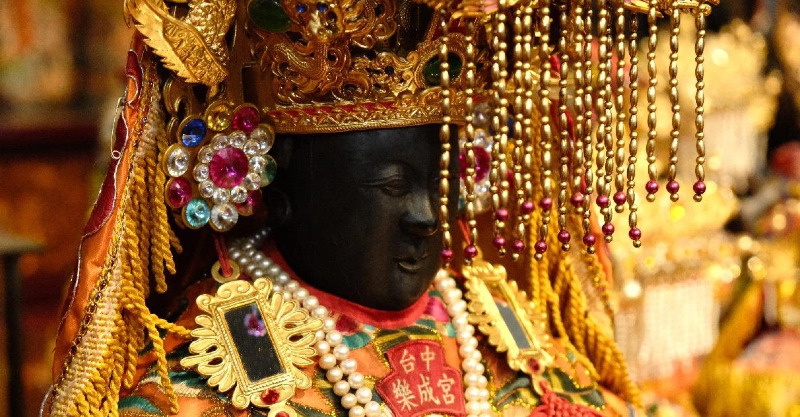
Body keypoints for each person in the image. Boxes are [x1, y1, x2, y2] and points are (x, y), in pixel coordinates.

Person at [42, 0, 715, 416]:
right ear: (281, 185)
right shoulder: (206, 378)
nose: (428, 217)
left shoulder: (505, 342)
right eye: (392, 187)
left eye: (443, 182)